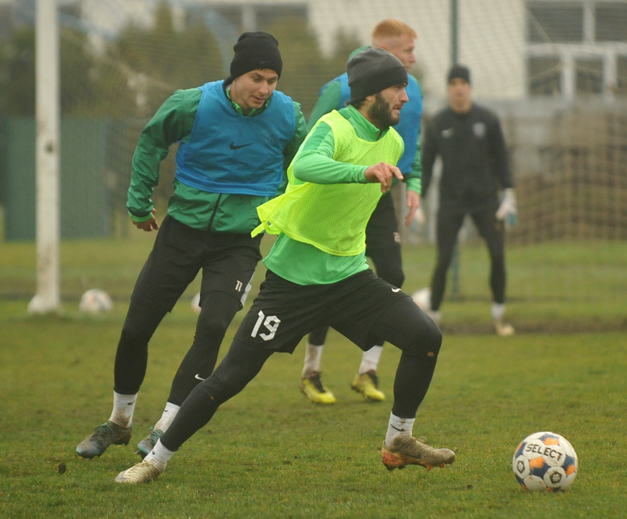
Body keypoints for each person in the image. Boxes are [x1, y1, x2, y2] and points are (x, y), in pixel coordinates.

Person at [114, 48, 456, 483]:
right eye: (397, 87)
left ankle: (398, 440)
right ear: (371, 93)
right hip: (292, 285)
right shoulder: (332, 126)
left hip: (350, 279)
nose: (405, 97)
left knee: (425, 337)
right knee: (229, 378)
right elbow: (305, 164)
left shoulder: (393, 142)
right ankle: (155, 460)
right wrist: (361, 172)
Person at [75, 32, 308, 460]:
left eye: (272, 80)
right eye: (257, 78)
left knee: (213, 326)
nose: (265, 89)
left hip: (240, 242)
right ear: (236, 76)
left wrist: (289, 216)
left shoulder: (289, 116)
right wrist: (139, 200)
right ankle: (119, 422)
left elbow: (303, 168)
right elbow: (151, 140)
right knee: (135, 329)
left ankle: (165, 427)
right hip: (181, 232)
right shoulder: (193, 104)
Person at [299, 19, 424, 405]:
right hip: (337, 198)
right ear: (385, 53)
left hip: (378, 194)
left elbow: (412, 142)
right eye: (407, 51)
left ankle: (367, 369)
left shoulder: (413, 91)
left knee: (393, 274)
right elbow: (309, 144)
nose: (413, 59)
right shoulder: (339, 89)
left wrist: (414, 183)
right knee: (326, 281)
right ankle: (311, 371)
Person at [421, 64, 516, 336]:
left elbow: (502, 159)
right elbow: (426, 165)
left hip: (486, 201)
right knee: (443, 258)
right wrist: (418, 201)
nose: (458, 88)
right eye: (453, 83)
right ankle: (434, 317)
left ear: (470, 87)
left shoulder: (488, 120)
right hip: (451, 201)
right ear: (448, 88)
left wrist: (509, 193)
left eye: (463, 83)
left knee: (497, 255)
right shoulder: (438, 123)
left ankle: (499, 316)